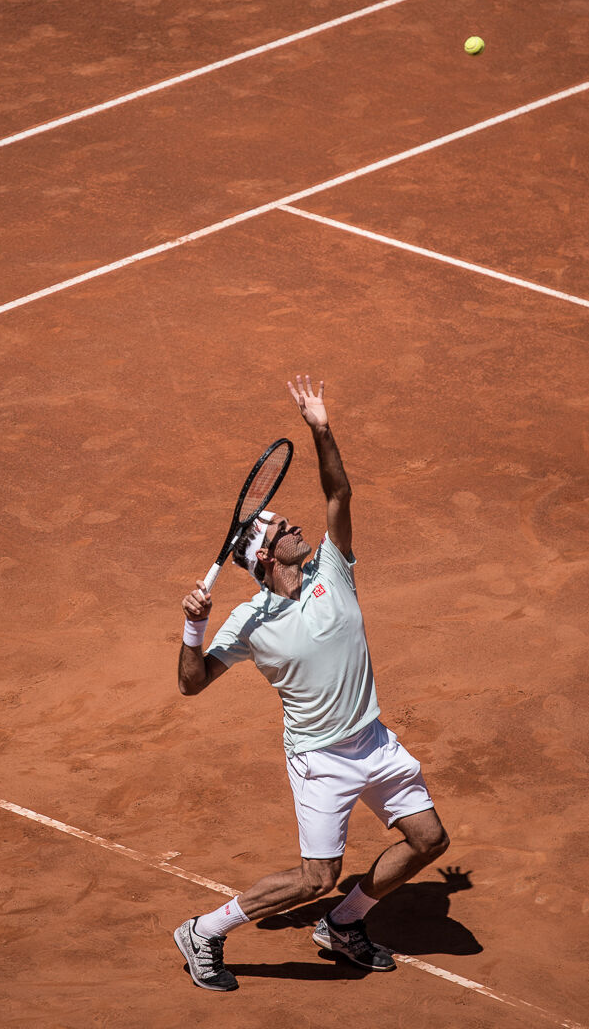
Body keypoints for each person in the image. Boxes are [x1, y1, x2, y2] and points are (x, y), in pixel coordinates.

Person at [174, 375, 449, 991]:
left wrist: (321, 429)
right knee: (313, 878)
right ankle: (205, 931)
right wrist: (194, 629)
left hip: (374, 740)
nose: (296, 527)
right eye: (282, 530)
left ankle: (343, 925)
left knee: (428, 839)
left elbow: (339, 492)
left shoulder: (334, 569)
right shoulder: (247, 621)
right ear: (266, 558)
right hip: (321, 759)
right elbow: (192, 685)